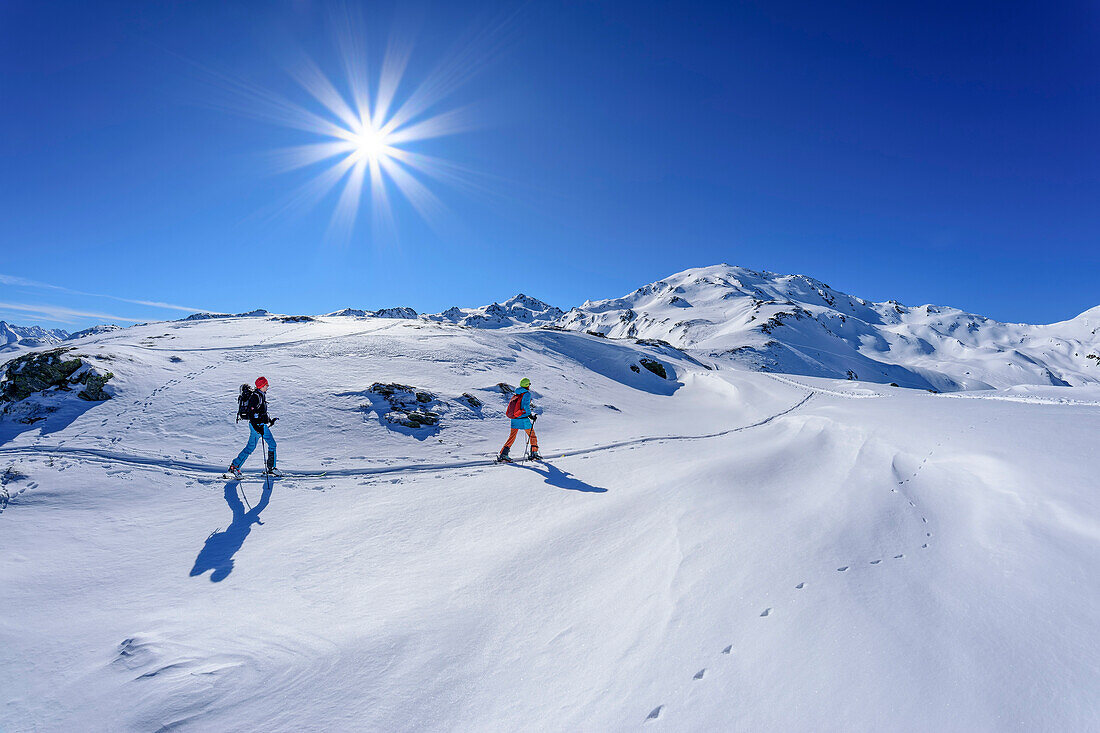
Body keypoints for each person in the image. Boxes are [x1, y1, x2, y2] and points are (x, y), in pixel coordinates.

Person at [228, 376, 280, 478]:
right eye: (266, 385)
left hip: (261, 426)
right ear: (261, 386)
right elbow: (252, 415)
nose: (267, 386)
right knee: (251, 448)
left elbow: (261, 412)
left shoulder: (261, 395)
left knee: (272, 444)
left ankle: (271, 468)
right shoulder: (255, 397)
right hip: (257, 427)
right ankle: (235, 466)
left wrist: (269, 420)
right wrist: (257, 428)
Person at [498, 377, 541, 462]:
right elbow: (526, 406)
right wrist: (530, 416)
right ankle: (534, 454)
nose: (529, 386)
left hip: (514, 418)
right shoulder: (527, 394)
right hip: (523, 419)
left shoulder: (516, 393)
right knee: (532, 435)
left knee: (512, 437)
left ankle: (503, 454)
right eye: (529, 384)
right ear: (526, 385)